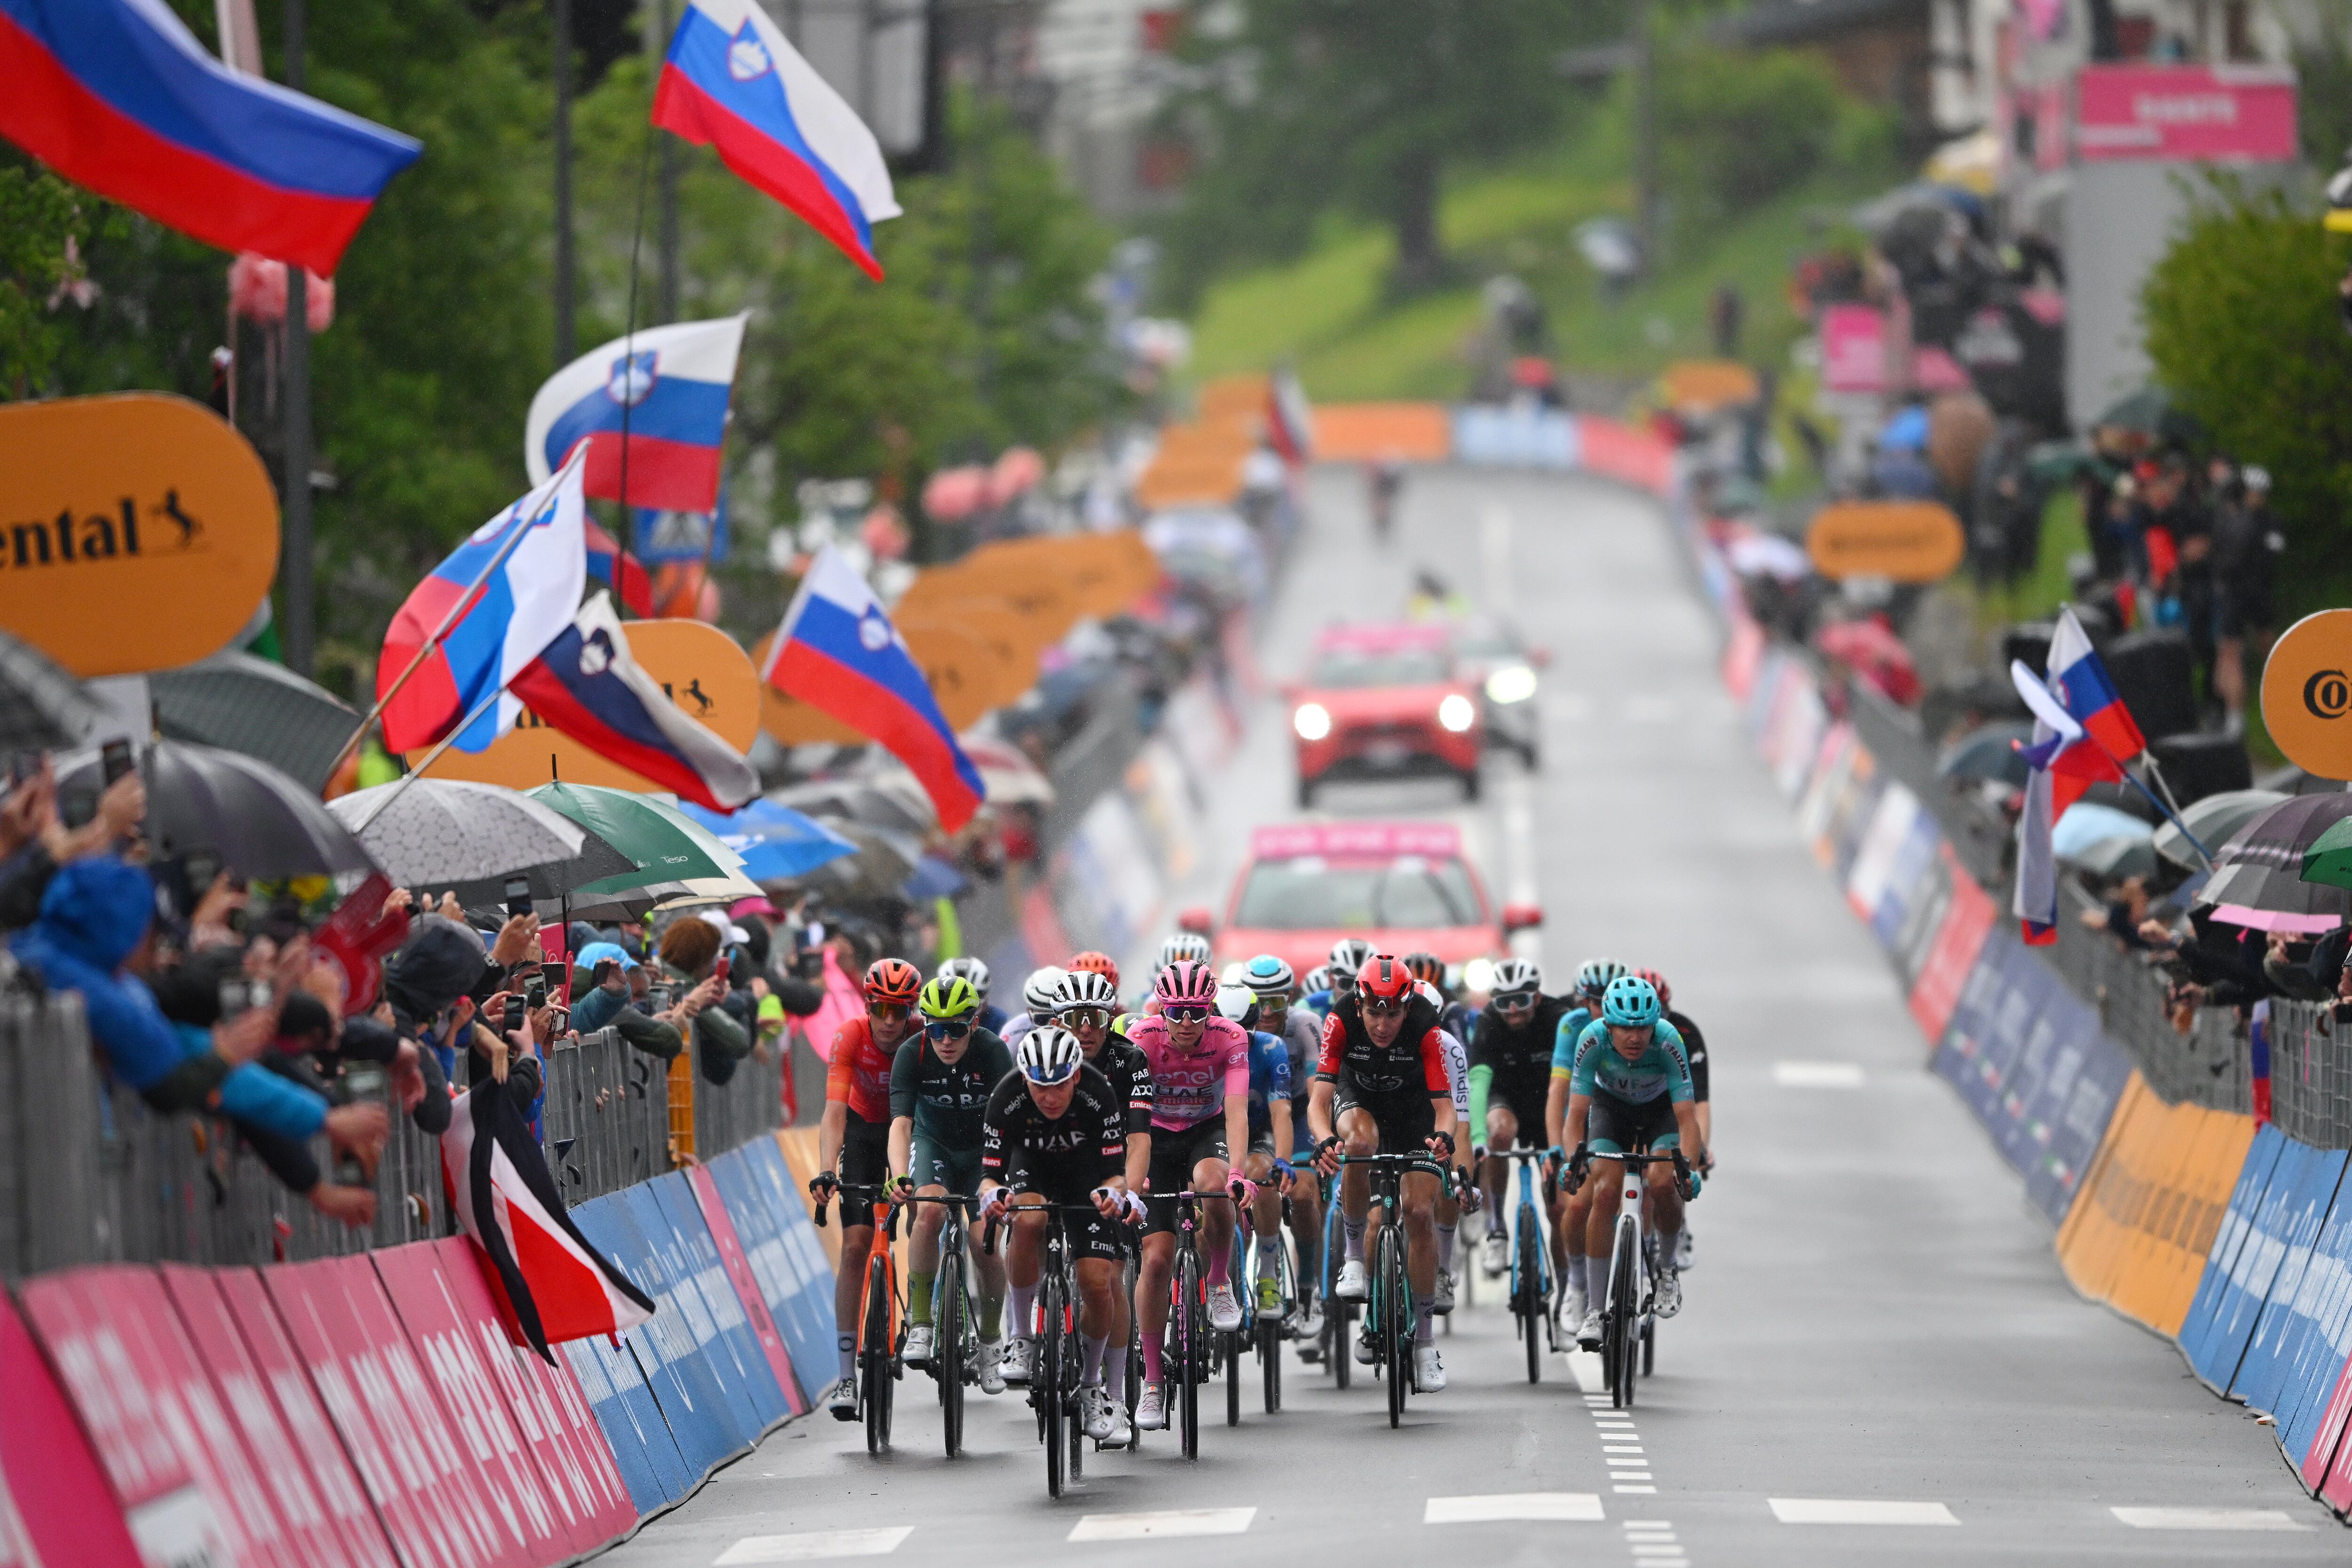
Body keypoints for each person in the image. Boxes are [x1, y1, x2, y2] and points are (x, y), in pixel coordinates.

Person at [978, 1028, 1141, 1445]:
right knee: (1028, 1221)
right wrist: (994, 1195)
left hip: (1085, 1173)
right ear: (1025, 1079)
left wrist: (1113, 1194)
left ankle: (1091, 1387)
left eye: (1059, 1086)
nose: (1049, 1097)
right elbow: (990, 1177)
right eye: (1038, 1087)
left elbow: (1115, 1175)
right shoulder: (1006, 1096)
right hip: (1031, 1166)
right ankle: (1022, 1339)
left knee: (1097, 1283)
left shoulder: (1098, 1092)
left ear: (1075, 1077)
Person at [1306, 954, 1458, 1394]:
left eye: (1393, 1014)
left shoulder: (1426, 1025)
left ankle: (1426, 1345)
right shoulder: (1339, 1019)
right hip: (1361, 1104)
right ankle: (1355, 1258)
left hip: (1414, 1113)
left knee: (1419, 1213)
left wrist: (1444, 1138)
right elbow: (1319, 1104)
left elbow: (1444, 1109)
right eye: (1374, 1012)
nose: (1383, 1025)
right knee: (1358, 1145)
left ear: (1407, 1009)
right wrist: (1322, 1140)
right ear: (1359, 1006)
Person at [1123, 958, 1251, 1431]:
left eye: (1196, 1013)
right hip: (1153, 1139)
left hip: (1205, 1130)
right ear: (1161, 1008)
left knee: (1214, 1185)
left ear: (1210, 1009)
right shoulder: (1141, 1038)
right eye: (1175, 1012)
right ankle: (1153, 1383)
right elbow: (1129, 1119)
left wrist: (1238, 1170)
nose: (1185, 1024)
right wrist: (1128, 1184)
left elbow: (1236, 1112)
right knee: (1155, 1259)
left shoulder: (1230, 1037)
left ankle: (1218, 1281)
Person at [1548, 975, 1707, 1347]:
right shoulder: (1591, 1039)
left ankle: (1666, 1270)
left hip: (1660, 1113)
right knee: (1603, 1192)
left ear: (1655, 1024)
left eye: (1642, 1029)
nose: (1635, 1038)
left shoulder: (1669, 1041)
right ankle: (1595, 1311)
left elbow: (1687, 1119)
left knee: (1666, 1182)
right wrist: (1575, 1162)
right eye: (1624, 1028)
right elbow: (1576, 1117)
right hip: (1611, 1110)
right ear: (1608, 1024)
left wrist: (1691, 1170)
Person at [809, 956, 923, 1419]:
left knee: (925, 1214)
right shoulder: (851, 1034)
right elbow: (834, 1111)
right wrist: (824, 1169)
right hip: (860, 1132)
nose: (891, 1022)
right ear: (868, 1005)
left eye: (900, 1010)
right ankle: (845, 1375)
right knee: (855, 1247)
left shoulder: (920, 1037)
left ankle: (923, 1318)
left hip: (908, 1130)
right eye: (882, 1009)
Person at [888, 974, 1013, 1393]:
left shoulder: (993, 1052)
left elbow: (1010, 1123)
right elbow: (901, 1124)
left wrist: (1004, 1178)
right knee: (928, 1214)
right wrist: (900, 1175)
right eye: (936, 1029)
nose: (946, 1040)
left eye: (956, 1029)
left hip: (982, 1151)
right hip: (934, 1144)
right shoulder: (912, 1053)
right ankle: (921, 1323)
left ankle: (993, 1342)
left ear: (973, 1024)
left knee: (985, 1243)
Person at [1036, 965, 1152, 1394]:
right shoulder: (1038, 1056)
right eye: (1074, 1018)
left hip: (1110, 1167)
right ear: (1056, 1023)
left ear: (1111, 1017)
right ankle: (1030, 1324)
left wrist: (1132, 1195)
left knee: (1110, 1276)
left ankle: (1117, 1394)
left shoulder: (1130, 1059)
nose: (1086, 1029)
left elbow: (1139, 1139)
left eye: (1096, 1017)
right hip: (1055, 1161)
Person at [1469, 958, 1569, 1281]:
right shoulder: (1489, 1022)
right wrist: (1478, 1138)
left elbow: (1572, 1087)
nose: (1512, 1010)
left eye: (1522, 1001)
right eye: (1503, 1002)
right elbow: (1479, 1083)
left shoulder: (1558, 1020)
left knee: (1559, 1211)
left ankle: (1570, 1289)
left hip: (1548, 1109)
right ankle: (1497, 1228)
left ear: (1537, 998)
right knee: (1499, 1132)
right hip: (1507, 1101)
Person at [1243, 953, 1325, 1345]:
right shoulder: (1233, 1027)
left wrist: (1316, 1142)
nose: (1266, 1012)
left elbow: (1315, 1089)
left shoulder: (1306, 1025)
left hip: (1297, 1113)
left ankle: (1308, 1289)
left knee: (1306, 1193)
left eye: (1276, 1002)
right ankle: (1258, 1275)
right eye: (1258, 1002)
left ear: (1290, 999)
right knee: (1250, 1186)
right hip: (1249, 1119)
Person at [1548, 956, 1625, 1330]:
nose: (1600, 1009)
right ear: (1583, 1002)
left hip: (1632, 1112)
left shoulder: (1635, 1029)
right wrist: (1560, 1153)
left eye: (1606, 1000)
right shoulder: (1575, 1027)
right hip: (1592, 1114)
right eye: (1593, 1001)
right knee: (1577, 1207)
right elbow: (1559, 1094)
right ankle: (1577, 1285)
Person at [1215, 985, 1295, 1318]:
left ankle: (1266, 1272)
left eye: (1245, 1031)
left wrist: (1284, 1162)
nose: (1236, 1038)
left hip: (1258, 1129)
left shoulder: (1271, 1048)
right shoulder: (1202, 1048)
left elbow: (1282, 1113)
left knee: (1262, 1171)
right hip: (1215, 1131)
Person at [1636, 967, 1710, 1270]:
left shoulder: (1683, 1034)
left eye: (1662, 1012)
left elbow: (1699, 1104)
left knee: (1664, 1175)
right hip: (1628, 1105)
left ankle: (1673, 1229)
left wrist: (1699, 1149)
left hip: (1672, 1106)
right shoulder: (1622, 1036)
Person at [935, 956, 1006, 1035]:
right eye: (951, 1007)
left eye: (971, 1008)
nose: (963, 1018)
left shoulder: (1001, 1023)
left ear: (986, 1002)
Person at [999, 965, 1065, 1050]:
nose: (1052, 1026)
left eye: (1061, 1019)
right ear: (1029, 1013)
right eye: (1042, 1019)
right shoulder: (1013, 1031)